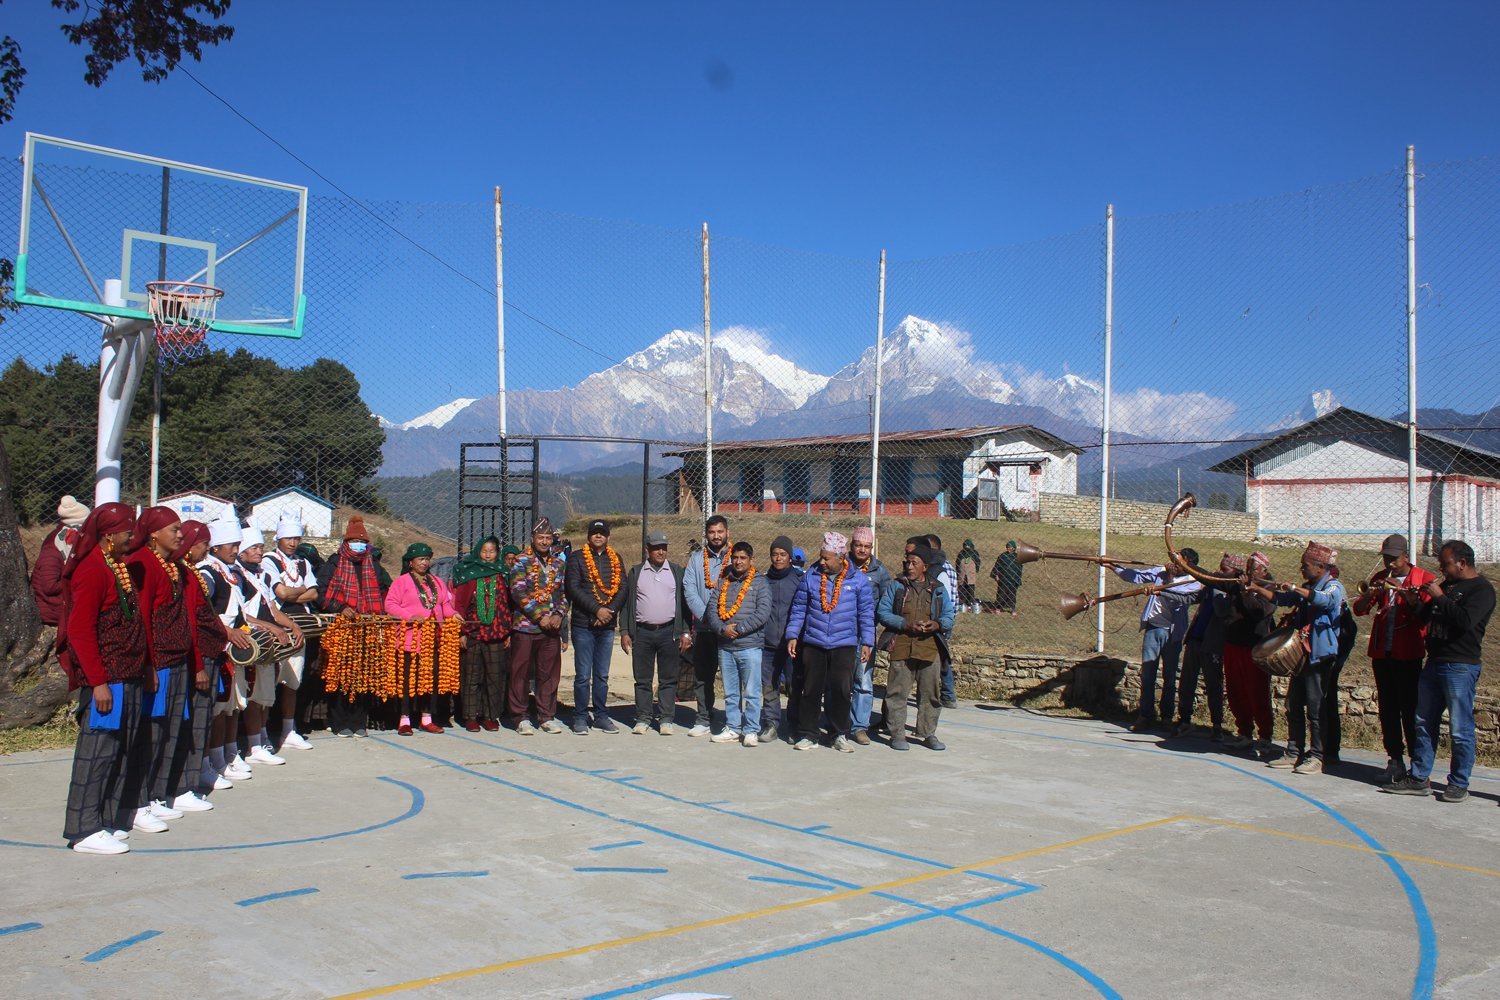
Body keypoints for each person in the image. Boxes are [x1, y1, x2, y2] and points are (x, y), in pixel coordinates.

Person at [60, 503, 151, 854]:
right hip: (108, 677)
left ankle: (107, 819)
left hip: (127, 673)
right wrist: (97, 682)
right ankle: (83, 830)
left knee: (120, 750)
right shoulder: (92, 570)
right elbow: (80, 630)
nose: (132, 537)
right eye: (128, 531)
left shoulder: (115, 565)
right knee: (97, 752)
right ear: (109, 534)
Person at [1383, 539, 1495, 802]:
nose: (1442, 570)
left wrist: (1440, 597)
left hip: (1460, 665)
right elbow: (1427, 618)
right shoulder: (1446, 586)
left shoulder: (1481, 590)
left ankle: (1458, 783)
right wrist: (1414, 602)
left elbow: (1465, 621)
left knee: (1460, 728)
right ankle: (1419, 777)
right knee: (1423, 722)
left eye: (1445, 564)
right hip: (1434, 661)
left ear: (1462, 563)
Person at [123, 506, 205, 825]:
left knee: (171, 730)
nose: (181, 535)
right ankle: (138, 801)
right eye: (174, 529)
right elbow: (143, 617)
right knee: (152, 732)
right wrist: (148, 664)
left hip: (177, 660)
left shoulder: (173, 566)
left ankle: (158, 794)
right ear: (154, 533)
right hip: (159, 662)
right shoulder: (144, 562)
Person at [1255, 541, 1345, 773]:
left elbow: (1324, 600)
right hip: (1301, 657)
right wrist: (1256, 588)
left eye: (1305, 565)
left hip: (1320, 657)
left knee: (1315, 709)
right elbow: (1281, 599)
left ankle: (1317, 756)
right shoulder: (1306, 587)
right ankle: (1293, 752)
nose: (1302, 569)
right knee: (1294, 705)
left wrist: (1295, 588)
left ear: (1319, 566)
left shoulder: (1334, 587)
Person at [1352, 533, 1434, 782]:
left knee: (1410, 710)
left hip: (1408, 653)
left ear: (1406, 556)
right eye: (1386, 558)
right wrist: (1370, 594)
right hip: (1382, 652)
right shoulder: (1380, 578)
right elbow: (1360, 610)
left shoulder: (1423, 578)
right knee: (1387, 709)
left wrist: (1407, 596)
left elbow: (1426, 617)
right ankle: (1395, 759)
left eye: (1394, 558)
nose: (1390, 563)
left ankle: (1417, 765)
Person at [785, 531, 874, 753]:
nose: (822, 562)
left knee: (841, 691)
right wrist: (793, 635)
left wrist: (867, 642)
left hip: (844, 643)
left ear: (841, 557)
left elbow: (866, 613)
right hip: (814, 642)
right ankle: (809, 733)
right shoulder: (811, 576)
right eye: (821, 557)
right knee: (811, 689)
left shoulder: (858, 580)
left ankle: (838, 734)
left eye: (826, 558)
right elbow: (799, 608)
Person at [1112, 552, 1203, 733]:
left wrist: (1168, 579)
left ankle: (1166, 717)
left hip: (1173, 634)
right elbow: (1136, 576)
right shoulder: (1161, 572)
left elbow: (1177, 596)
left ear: (1189, 565)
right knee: (1148, 675)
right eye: (1174, 561)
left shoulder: (1193, 582)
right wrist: (1113, 567)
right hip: (1153, 629)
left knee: (1169, 678)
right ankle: (1145, 716)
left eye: (1179, 562)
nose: (1174, 564)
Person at [317, 516, 389, 737]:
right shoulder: (335, 562)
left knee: (363, 675)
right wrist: (340, 607)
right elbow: (320, 593)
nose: (359, 545)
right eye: (354, 541)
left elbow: (384, 590)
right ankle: (339, 722)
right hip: (342, 629)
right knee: (341, 675)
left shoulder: (373, 564)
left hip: (367, 627)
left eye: (362, 542)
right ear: (346, 542)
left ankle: (359, 722)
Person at [877, 544, 954, 751]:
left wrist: (937, 624)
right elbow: (883, 612)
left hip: (930, 648)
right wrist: (905, 624)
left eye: (914, 563)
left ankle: (928, 733)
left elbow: (949, 615)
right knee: (897, 692)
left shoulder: (938, 589)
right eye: (907, 562)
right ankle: (897, 733)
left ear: (925, 567)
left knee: (930, 693)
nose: (909, 566)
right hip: (902, 645)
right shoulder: (897, 586)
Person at [236, 530, 303, 765]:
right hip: (250, 641)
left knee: (265, 694)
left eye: (260, 547)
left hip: (267, 642)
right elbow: (241, 614)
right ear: (241, 552)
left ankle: (262, 739)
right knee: (251, 697)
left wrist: (292, 626)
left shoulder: (261, 575)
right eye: (253, 548)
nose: (259, 551)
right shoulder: (238, 576)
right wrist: (270, 627)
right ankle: (252, 746)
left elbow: (273, 609)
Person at [386, 542, 462, 735]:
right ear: (410, 562)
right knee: (407, 680)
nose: (424, 563)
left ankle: (426, 719)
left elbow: (445, 604)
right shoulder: (401, 582)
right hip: (410, 639)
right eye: (420, 559)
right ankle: (404, 720)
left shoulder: (437, 582)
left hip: (433, 640)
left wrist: (453, 614)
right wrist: (410, 616)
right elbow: (390, 605)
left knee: (429, 679)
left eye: (427, 559)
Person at [621, 531, 691, 735]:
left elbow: (684, 605)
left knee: (668, 678)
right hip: (642, 633)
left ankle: (666, 718)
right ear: (647, 550)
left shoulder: (676, 572)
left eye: (664, 548)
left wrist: (686, 631)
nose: (661, 552)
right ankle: (643, 718)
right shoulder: (636, 573)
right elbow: (627, 604)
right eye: (656, 548)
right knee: (642, 679)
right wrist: (625, 631)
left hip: (669, 632)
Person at [262, 514, 319, 751]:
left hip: (300, 624)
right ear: (278, 538)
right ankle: (262, 733)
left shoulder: (303, 563)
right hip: (278, 622)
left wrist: (293, 592)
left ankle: (288, 730)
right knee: (269, 681)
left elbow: (314, 593)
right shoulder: (269, 560)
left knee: (292, 679)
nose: (293, 543)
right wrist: (301, 588)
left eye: (296, 538)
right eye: (288, 538)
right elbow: (280, 593)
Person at [508, 518, 570, 735]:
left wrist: (559, 615)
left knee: (549, 673)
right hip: (526, 626)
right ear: (532, 538)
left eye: (548, 538)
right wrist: (539, 616)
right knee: (521, 673)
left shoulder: (559, 563)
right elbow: (518, 592)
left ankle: (546, 716)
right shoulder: (521, 560)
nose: (544, 542)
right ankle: (520, 717)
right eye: (540, 537)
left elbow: (564, 594)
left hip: (551, 628)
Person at [565, 519, 627, 734]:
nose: (598, 536)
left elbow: (623, 588)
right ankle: (580, 717)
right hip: (583, 625)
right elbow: (573, 588)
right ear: (588, 536)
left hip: (607, 626)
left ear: (608, 536)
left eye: (602, 532)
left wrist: (609, 612)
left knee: (602, 675)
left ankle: (601, 716)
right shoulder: (577, 558)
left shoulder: (616, 559)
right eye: (595, 533)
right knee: (583, 675)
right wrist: (596, 610)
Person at [709, 541, 771, 746]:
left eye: (743, 558)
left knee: (752, 691)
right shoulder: (723, 582)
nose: (738, 561)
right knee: (731, 692)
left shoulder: (760, 583)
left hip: (750, 646)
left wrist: (739, 629)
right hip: (726, 647)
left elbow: (762, 613)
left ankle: (751, 730)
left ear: (751, 559)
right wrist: (722, 629)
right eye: (735, 557)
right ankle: (733, 727)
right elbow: (712, 610)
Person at [1218, 552, 1278, 754]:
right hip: (1233, 643)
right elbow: (1213, 579)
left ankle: (1265, 736)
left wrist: (1246, 591)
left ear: (1263, 570)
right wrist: (1187, 566)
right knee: (1236, 690)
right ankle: (1244, 732)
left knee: (1257, 692)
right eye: (1248, 567)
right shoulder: (1238, 582)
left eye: (1253, 568)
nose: (1249, 571)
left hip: (1254, 647)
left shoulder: (1269, 589)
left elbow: (1258, 612)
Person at [452, 535, 512, 733]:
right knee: (471, 676)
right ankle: (471, 717)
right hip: (473, 632)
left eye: (492, 551)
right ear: (478, 552)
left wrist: (507, 632)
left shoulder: (503, 573)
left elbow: (508, 604)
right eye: (484, 551)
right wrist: (461, 632)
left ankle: (490, 716)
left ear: (497, 553)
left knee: (494, 677)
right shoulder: (469, 573)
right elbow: (459, 604)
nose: (487, 555)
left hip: (496, 632)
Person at [1174, 553, 1236, 739]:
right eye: (1220, 568)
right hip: (1195, 638)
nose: (1219, 573)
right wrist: (1163, 592)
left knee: (1213, 685)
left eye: (1224, 570)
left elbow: (1222, 611)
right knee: (1187, 681)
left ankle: (1216, 725)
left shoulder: (1233, 590)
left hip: (1213, 644)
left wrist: (1217, 589)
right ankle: (1184, 720)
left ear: (1234, 572)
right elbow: (1191, 598)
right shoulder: (1211, 587)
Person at [683, 515, 731, 737]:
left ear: (727, 533)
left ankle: (733, 720)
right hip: (704, 627)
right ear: (706, 535)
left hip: (729, 629)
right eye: (712, 532)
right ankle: (703, 717)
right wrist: (708, 617)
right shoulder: (695, 560)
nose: (716, 536)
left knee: (731, 677)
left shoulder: (736, 557)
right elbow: (690, 590)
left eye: (720, 531)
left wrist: (724, 621)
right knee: (703, 676)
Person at [847, 526, 893, 744]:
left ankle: (859, 726)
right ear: (851, 546)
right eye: (858, 545)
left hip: (865, 634)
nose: (862, 550)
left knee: (864, 681)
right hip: (840, 632)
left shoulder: (879, 571)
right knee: (838, 680)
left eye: (867, 546)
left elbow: (887, 601)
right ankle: (836, 721)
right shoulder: (841, 565)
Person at [758, 535, 802, 743]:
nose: (778, 558)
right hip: (767, 645)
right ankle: (771, 724)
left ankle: (794, 726)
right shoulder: (763, 581)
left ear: (790, 557)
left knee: (794, 686)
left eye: (783, 554)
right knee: (769, 686)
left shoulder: (799, 581)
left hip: (792, 645)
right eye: (774, 554)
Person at [31, 494, 89, 627]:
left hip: (61, 605)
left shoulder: (68, 545)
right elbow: (50, 586)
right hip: (54, 610)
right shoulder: (53, 548)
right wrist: (79, 580)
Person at [926, 534, 960, 709]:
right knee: (941, 657)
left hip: (940, 620)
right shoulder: (948, 567)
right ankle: (946, 693)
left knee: (942, 657)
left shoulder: (940, 570)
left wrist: (943, 621)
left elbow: (945, 599)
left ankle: (947, 693)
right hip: (945, 618)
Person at [990, 540, 1023, 616]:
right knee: (1001, 594)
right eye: (1007, 547)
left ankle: (1012, 609)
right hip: (1003, 579)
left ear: (1014, 548)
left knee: (1012, 595)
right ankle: (998, 607)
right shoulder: (1003, 556)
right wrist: (996, 575)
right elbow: (997, 566)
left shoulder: (1017, 557)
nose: (1008, 548)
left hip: (1013, 580)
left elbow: (1019, 569)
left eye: (1010, 547)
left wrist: (1018, 579)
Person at [955, 539, 982, 613]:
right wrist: (958, 571)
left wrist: (976, 569)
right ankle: (962, 602)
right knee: (962, 587)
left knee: (970, 587)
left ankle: (969, 602)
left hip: (970, 573)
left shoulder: (974, 553)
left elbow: (977, 561)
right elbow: (957, 562)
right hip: (963, 573)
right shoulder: (961, 553)